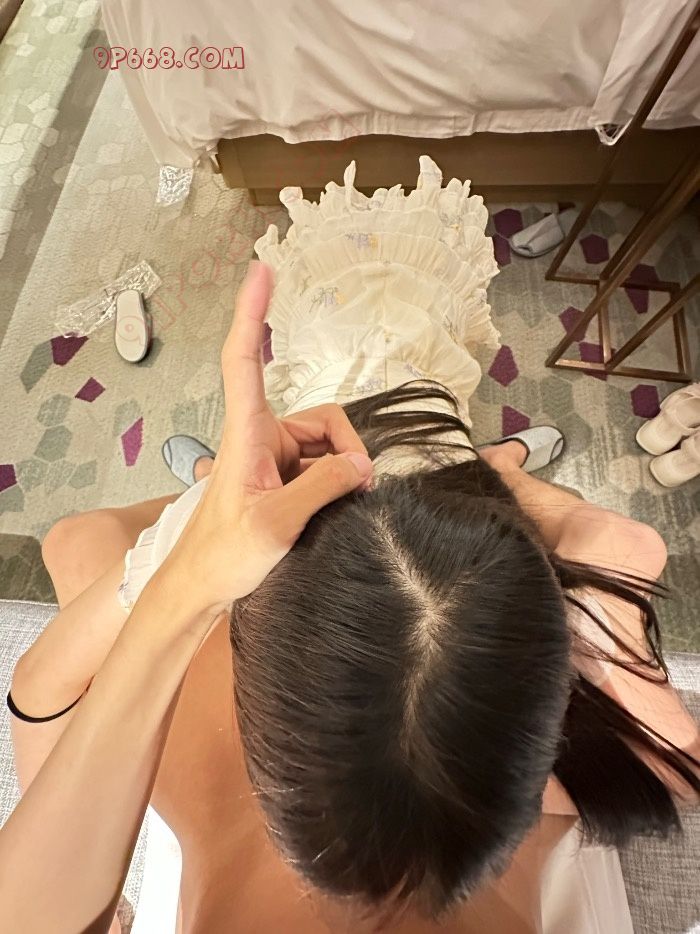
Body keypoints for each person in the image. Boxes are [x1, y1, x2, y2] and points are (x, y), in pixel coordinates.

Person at [6, 161, 700, 932]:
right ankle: (496, 463)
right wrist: (575, 528)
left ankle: (253, 472)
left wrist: (185, 551)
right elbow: (673, 766)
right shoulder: (562, 801)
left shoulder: (190, 774)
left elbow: (71, 559)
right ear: (543, 734)